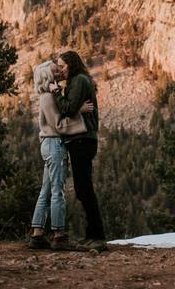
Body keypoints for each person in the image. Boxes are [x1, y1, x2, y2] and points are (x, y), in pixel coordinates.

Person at [28, 61, 93, 250]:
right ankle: (59, 235)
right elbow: (58, 126)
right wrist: (79, 114)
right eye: (53, 70)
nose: (57, 71)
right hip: (53, 144)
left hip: (48, 145)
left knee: (46, 190)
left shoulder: (46, 96)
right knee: (58, 190)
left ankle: (37, 234)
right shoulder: (47, 97)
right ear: (47, 75)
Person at [49, 50, 106, 250]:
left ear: (72, 65)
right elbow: (74, 108)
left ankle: (98, 235)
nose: (61, 69)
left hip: (82, 140)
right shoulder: (77, 81)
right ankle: (93, 234)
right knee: (83, 188)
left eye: (63, 66)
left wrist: (56, 92)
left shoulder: (79, 81)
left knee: (84, 188)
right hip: (81, 140)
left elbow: (67, 109)